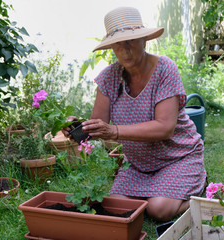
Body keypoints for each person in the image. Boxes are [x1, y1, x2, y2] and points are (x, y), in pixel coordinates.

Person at [63, 6, 206, 222]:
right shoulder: (109, 77)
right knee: (116, 205)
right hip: (139, 165)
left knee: (158, 210)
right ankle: (161, 192)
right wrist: (78, 128)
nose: (125, 49)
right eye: (118, 44)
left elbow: (165, 127)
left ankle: (198, 190)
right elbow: (98, 125)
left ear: (144, 41)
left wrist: (115, 131)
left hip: (178, 158)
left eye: (130, 41)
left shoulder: (165, 69)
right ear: (112, 47)